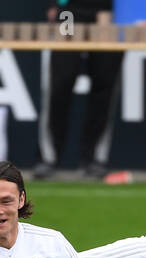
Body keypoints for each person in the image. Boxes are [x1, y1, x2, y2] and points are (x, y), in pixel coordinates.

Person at [32, 1, 122, 180]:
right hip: (70, 12)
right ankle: (49, 158)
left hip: (109, 13)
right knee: (61, 82)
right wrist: (53, 4)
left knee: (104, 84)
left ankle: (94, 159)